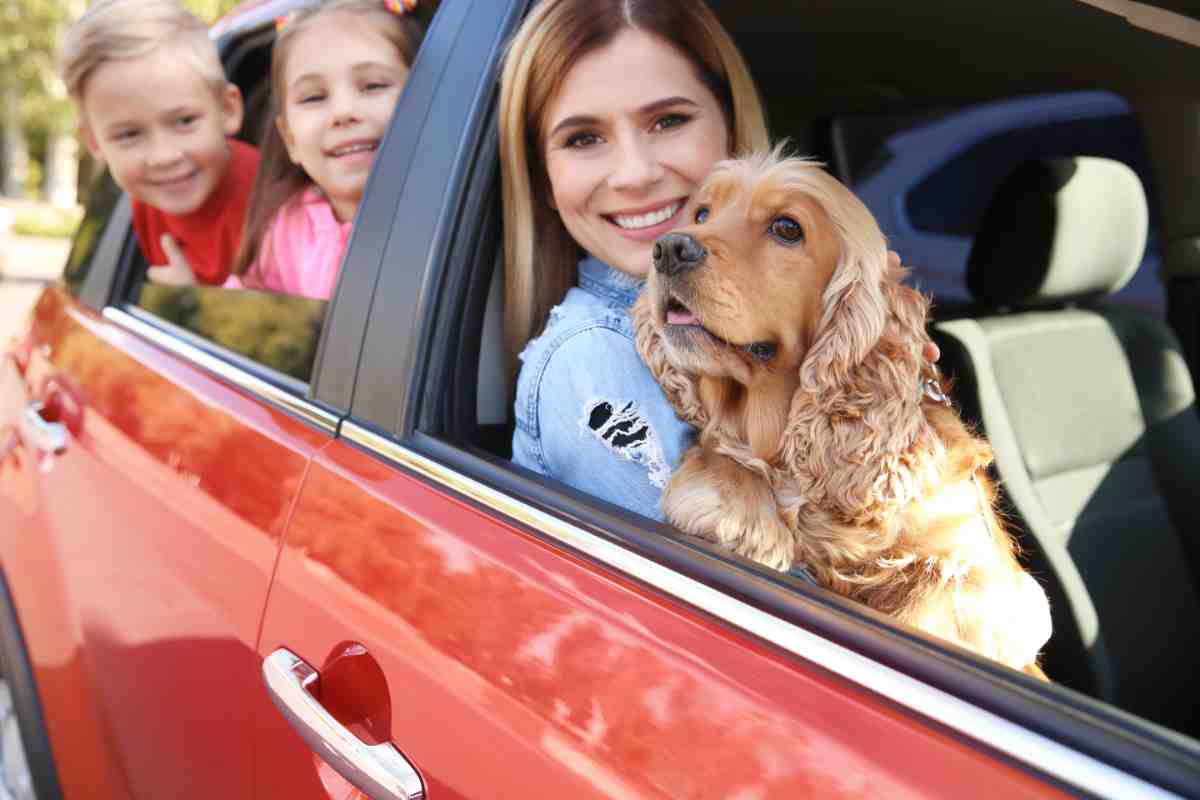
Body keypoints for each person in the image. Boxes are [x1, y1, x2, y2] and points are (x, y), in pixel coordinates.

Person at [501, 0, 935, 532]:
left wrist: (881, 355)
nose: (634, 174)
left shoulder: (828, 313)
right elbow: (751, 602)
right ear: (545, 177)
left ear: (731, 130)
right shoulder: (591, 357)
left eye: (668, 121)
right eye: (583, 139)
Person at [226, 0, 424, 300]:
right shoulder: (284, 230)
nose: (343, 112)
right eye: (314, 97)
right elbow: (240, 305)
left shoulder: (453, 219)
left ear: (428, 102)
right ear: (290, 140)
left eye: (373, 86)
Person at [61, 0, 260, 287]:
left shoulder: (271, 202)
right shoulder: (143, 205)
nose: (163, 157)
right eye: (129, 135)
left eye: (184, 121)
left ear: (228, 110)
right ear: (95, 144)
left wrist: (188, 300)